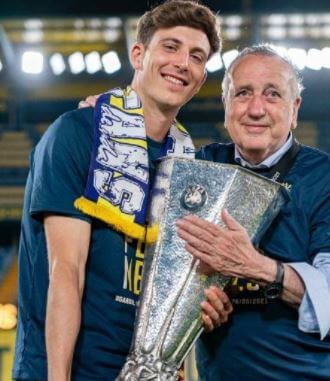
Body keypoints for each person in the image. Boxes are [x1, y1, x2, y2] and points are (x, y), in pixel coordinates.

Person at [12, 2, 233, 380]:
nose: (183, 62)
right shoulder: (78, 134)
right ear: (138, 54)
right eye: (170, 46)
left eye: (197, 56)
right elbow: (65, 271)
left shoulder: (190, 166)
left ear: (201, 76)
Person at [176, 44, 330, 380]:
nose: (256, 109)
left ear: (294, 109)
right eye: (243, 93)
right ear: (227, 104)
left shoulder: (324, 177)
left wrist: (256, 267)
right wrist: (199, 301)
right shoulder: (203, 165)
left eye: (272, 94)